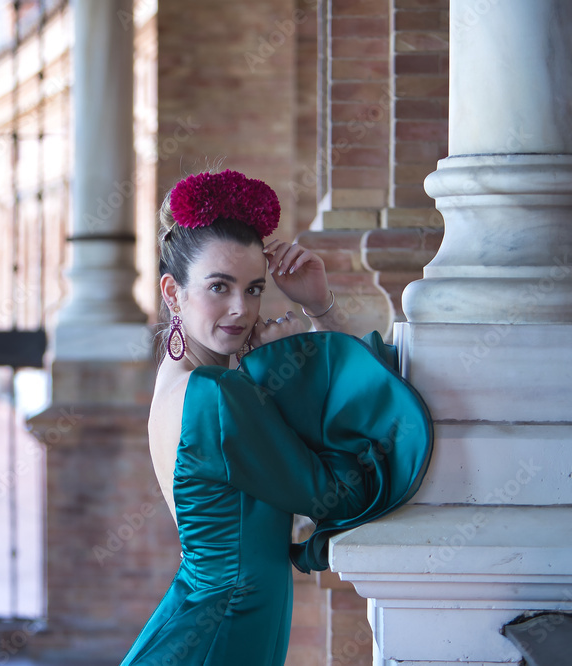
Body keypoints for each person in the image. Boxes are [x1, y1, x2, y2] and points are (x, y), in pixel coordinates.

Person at [120, 169, 433, 665]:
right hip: (223, 633)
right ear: (172, 292)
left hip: (215, 619)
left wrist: (317, 312)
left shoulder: (183, 380)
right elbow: (341, 490)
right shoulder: (217, 395)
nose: (239, 309)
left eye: (254, 288)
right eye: (219, 287)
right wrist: (296, 371)